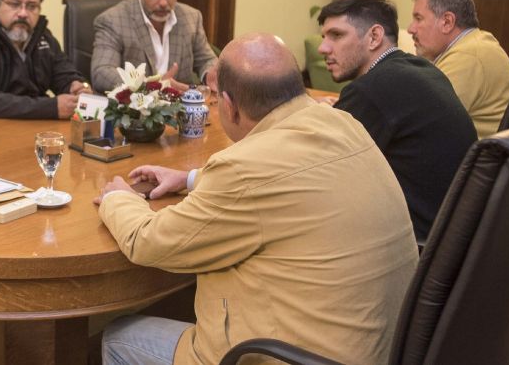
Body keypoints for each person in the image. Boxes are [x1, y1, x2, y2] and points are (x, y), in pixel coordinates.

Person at [95, 33, 418, 365]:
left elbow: (148, 242)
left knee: (118, 335)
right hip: (380, 349)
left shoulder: (244, 169)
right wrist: (189, 179)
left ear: (229, 106)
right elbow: (283, 176)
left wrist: (118, 197)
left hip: (294, 356)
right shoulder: (344, 124)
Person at [318, 0, 477, 242]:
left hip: (414, 245)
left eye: (336, 35)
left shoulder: (372, 89)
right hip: (454, 238)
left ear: (374, 37)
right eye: (323, 37)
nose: (323, 48)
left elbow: (318, 167)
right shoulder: (421, 70)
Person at [90, 0, 217, 93]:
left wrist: (210, 74)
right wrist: (149, 85)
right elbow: (102, 73)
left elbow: (207, 60)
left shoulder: (191, 17)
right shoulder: (113, 20)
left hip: (181, 103)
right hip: (137, 104)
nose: (163, 3)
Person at [407, 0, 509, 137]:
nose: (411, 29)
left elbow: (419, 121)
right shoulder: (475, 44)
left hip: (477, 152)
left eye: (418, 18)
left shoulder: (469, 56)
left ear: (447, 22)